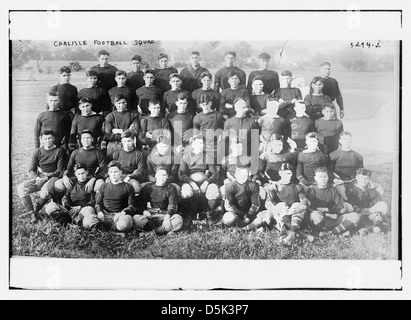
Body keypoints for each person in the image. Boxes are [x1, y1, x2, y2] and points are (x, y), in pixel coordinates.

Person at [251, 163, 312, 245]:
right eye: (286, 173)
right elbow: (268, 202)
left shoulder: (297, 186)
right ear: (280, 173)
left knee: (298, 206)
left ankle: (292, 233)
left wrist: (302, 206)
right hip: (281, 213)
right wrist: (276, 208)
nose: (289, 176)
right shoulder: (275, 186)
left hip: (293, 214)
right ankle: (298, 233)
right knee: (275, 210)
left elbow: (304, 200)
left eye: (290, 173)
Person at [17, 129, 66, 223]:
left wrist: (46, 178)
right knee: (21, 187)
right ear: (41, 139)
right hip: (40, 176)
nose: (47, 141)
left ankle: (36, 211)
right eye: (45, 139)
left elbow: (59, 170)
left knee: (45, 190)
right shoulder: (37, 151)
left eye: (49, 138)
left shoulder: (59, 151)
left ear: (54, 139)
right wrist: (37, 178)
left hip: (53, 177)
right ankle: (32, 214)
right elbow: (31, 169)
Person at [178, 134, 221, 226]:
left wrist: (207, 182)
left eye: (202, 144)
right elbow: (181, 174)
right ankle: (189, 214)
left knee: (213, 191)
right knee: (186, 192)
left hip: (205, 182)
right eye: (198, 143)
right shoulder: (186, 157)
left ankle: (209, 213)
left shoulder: (208, 157)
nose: (201, 146)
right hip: (190, 182)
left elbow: (215, 173)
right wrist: (191, 183)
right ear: (192, 145)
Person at [306, 166, 360, 237]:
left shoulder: (333, 190)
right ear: (315, 178)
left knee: (355, 216)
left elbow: (341, 208)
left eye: (325, 176)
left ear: (328, 177)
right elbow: (310, 208)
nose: (323, 179)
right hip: (321, 218)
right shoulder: (311, 190)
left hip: (334, 218)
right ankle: (339, 232)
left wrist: (327, 210)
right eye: (320, 177)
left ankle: (331, 233)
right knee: (314, 215)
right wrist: (327, 214)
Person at [54, 129, 106, 200]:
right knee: (58, 183)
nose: (86, 140)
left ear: (92, 139)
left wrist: (94, 179)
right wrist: (65, 176)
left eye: (88, 138)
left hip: (91, 178)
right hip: (77, 178)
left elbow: (104, 170)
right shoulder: (75, 152)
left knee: (100, 184)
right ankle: (61, 203)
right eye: (83, 138)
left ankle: (96, 205)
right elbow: (68, 168)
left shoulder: (98, 152)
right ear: (80, 140)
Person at [133, 166, 183, 235]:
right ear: (156, 176)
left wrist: (167, 217)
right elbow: (140, 203)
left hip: (164, 215)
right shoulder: (148, 187)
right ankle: (163, 230)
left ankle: (152, 233)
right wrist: (144, 211)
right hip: (150, 216)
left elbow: (172, 205)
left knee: (178, 219)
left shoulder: (170, 188)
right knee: (136, 219)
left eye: (164, 175)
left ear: (167, 177)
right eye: (159, 175)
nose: (161, 177)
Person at [94, 160, 136, 233]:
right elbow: (98, 203)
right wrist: (99, 212)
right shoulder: (104, 186)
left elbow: (132, 206)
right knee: (90, 221)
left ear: (120, 172)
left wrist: (122, 213)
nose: (113, 174)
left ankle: (108, 229)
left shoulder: (128, 187)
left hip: (121, 215)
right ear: (109, 173)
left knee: (124, 224)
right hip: (106, 215)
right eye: (111, 172)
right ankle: (113, 229)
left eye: (116, 172)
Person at [345, 168, 389, 234]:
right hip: (359, 213)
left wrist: (376, 214)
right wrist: (368, 214)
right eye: (361, 178)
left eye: (366, 179)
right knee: (357, 217)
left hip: (371, 212)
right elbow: (352, 208)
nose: (364, 181)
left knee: (383, 204)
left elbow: (378, 202)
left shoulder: (370, 189)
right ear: (357, 177)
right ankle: (371, 226)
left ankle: (375, 223)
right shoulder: (351, 189)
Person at [329, 131, 364, 201]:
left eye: (349, 139)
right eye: (344, 139)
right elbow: (329, 171)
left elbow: (361, 172)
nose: (347, 141)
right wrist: (335, 179)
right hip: (338, 182)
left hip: (353, 181)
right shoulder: (333, 155)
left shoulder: (358, 156)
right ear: (340, 141)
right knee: (341, 193)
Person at [111, 130, 146, 196]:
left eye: (129, 141)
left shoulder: (139, 154)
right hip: (119, 175)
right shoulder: (116, 153)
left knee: (136, 187)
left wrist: (130, 177)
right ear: (122, 141)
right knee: (109, 184)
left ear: (133, 140)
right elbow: (113, 167)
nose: (127, 143)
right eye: (124, 141)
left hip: (132, 177)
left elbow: (141, 171)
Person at [104, 93, 139, 158]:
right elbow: (108, 135)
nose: (121, 105)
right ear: (115, 104)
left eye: (123, 102)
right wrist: (127, 131)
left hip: (128, 143)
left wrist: (120, 131)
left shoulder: (133, 115)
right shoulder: (110, 117)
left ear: (126, 103)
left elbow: (135, 131)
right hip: (114, 144)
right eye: (119, 103)